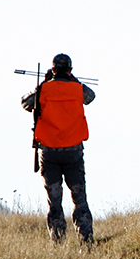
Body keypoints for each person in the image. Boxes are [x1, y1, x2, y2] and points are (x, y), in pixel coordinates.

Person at [21, 53, 96, 244]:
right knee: (79, 197)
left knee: (54, 200)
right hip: (73, 152)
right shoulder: (78, 88)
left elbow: (25, 102)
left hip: (50, 152)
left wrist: (44, 83)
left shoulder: (45, 88)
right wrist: (73, 79)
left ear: (53, 70)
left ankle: (58, 241)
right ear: (70, 70)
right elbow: (90, 97)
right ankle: (86, 240)